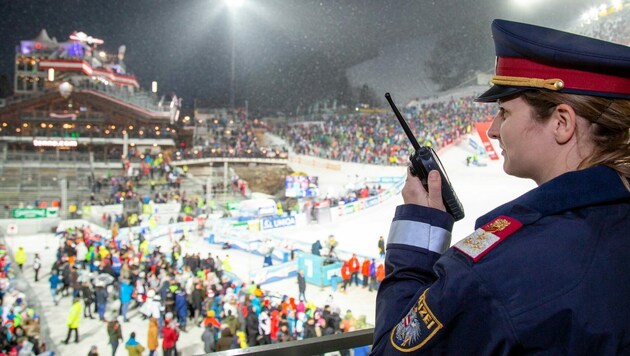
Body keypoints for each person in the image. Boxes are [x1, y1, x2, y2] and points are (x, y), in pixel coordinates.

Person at [372, 19, 630, 354]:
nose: (493, 130)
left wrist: (416, 236)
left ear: (561, 122)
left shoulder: (498, 270)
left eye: (504, 113)